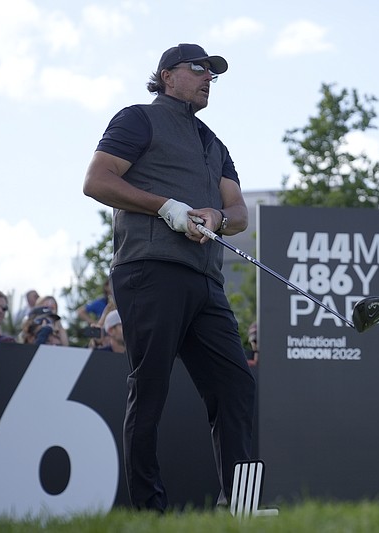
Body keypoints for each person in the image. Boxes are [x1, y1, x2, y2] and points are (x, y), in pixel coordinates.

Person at [82, 43, 255, 511]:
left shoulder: (212, 142)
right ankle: (148, 511)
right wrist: (166, 206)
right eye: (197, 68)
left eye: (212, 74)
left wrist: (217, 217)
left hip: (206, 281)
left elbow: (239, 211)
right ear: (166, 74)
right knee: (150, 388)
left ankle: (241, 507)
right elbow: (97, 180)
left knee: (236, 387)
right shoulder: (137, 118)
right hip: (148, 270)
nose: (207, 78)